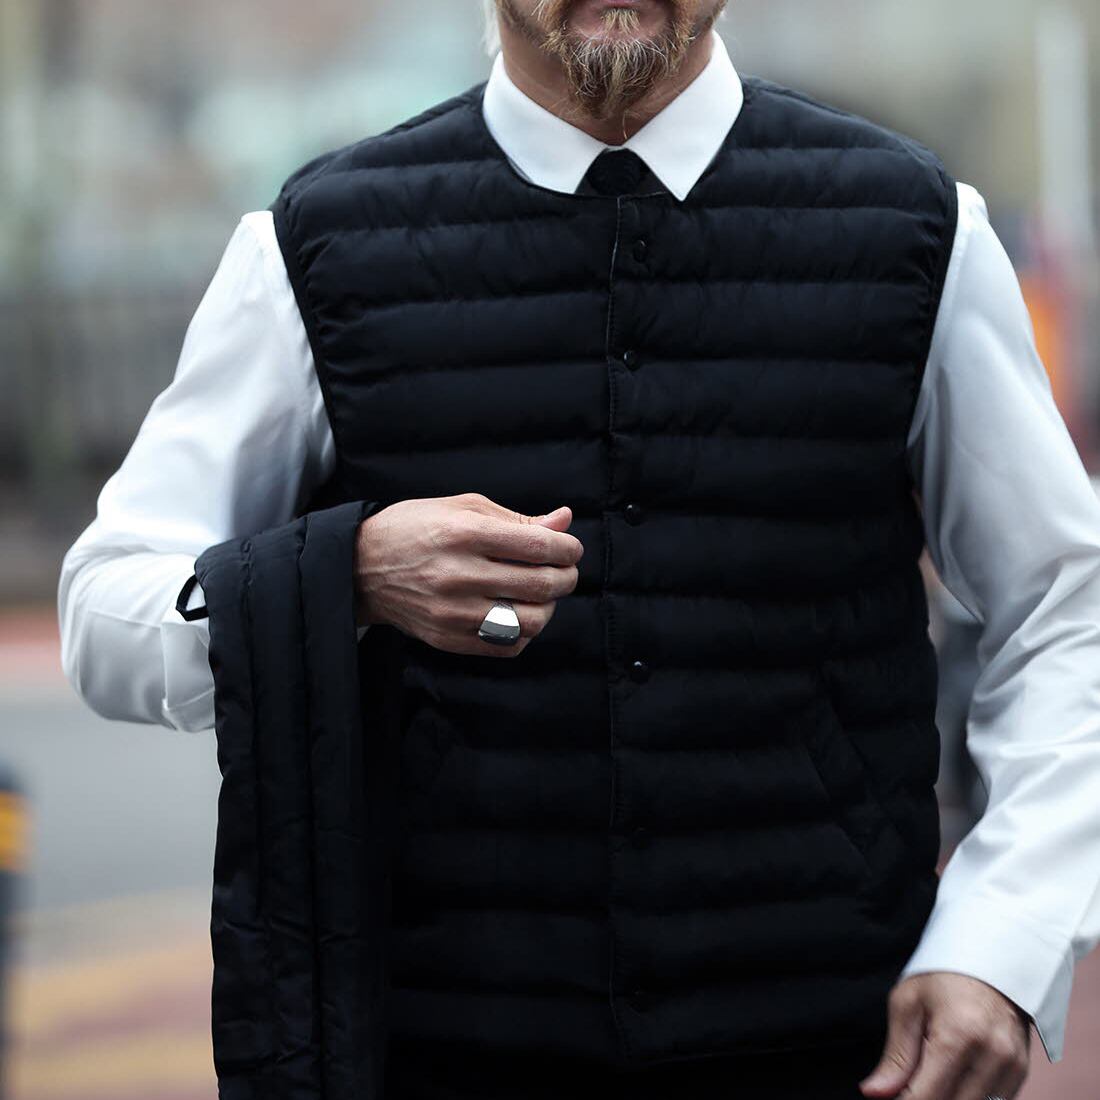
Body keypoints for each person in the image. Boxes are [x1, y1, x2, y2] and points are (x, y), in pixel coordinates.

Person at [57, 2, 1100, 1098]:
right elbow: (105, 610)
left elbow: (1066, 608)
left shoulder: (917, 228)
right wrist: (352, 572)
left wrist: (1002, 935)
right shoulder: (311, 247)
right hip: (439, 1052)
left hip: (837, 1045)